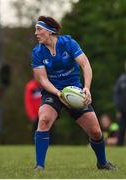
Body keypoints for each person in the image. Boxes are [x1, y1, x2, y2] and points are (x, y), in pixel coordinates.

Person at [31, 16, 116, 171]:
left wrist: (87, 88)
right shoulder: (37, 52)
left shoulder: (68, 43)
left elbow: (85, 65)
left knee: (96, 131)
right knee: (43, 120)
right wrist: (58, 93)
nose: (36, 33)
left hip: (74, 92)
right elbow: (42, 80)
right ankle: (39, 166)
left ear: (50, 31)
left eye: (39, 29)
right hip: (53, 92)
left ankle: (102, 163)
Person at [113, 62, 126, 146]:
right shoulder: (121, 79)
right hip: (122, 111)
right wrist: (118, 109)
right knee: (121, 129)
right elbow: (116, 94)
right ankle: (119, 147)